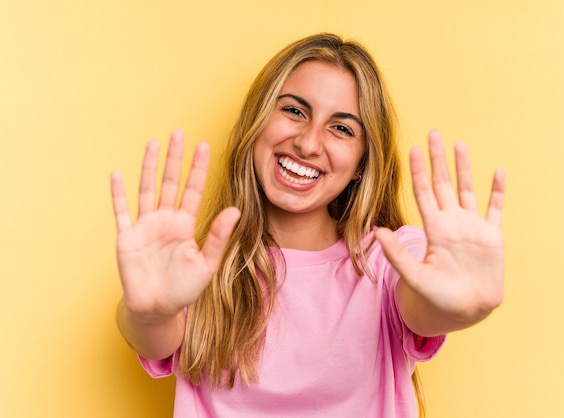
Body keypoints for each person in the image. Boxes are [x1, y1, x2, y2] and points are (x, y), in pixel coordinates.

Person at [111, 33, 505, 418]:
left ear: (360, 165)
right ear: (257, 123)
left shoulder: (391, 259)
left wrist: (456, 307)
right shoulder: (196, 268)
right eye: (294, 111)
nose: (309, 143)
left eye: (342, 128)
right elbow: (154, 335)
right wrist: (148, 313)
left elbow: (426, 307)